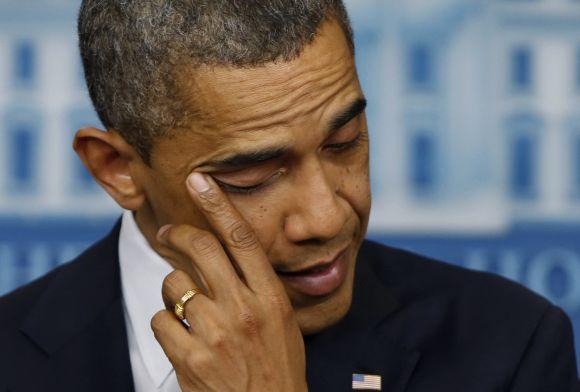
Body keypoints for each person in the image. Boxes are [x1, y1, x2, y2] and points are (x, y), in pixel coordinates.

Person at [0, 1, 578, 391]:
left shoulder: (507, 349)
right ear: (118, 168)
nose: (328, 217)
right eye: (251, 177)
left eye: (345, 142)